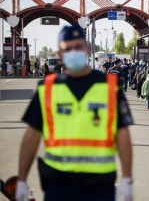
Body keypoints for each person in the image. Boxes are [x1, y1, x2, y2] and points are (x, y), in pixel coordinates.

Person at [16, 25, 134, 201]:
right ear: (60, 54)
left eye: (78, 47)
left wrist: (127, 179)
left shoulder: (109, 87)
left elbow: (122, 133)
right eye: (68, 49)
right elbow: (32, 134)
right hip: (58, 185)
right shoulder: (48, 89)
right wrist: (21, 180)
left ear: (87, 49)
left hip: (100, 186)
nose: (74, 52)